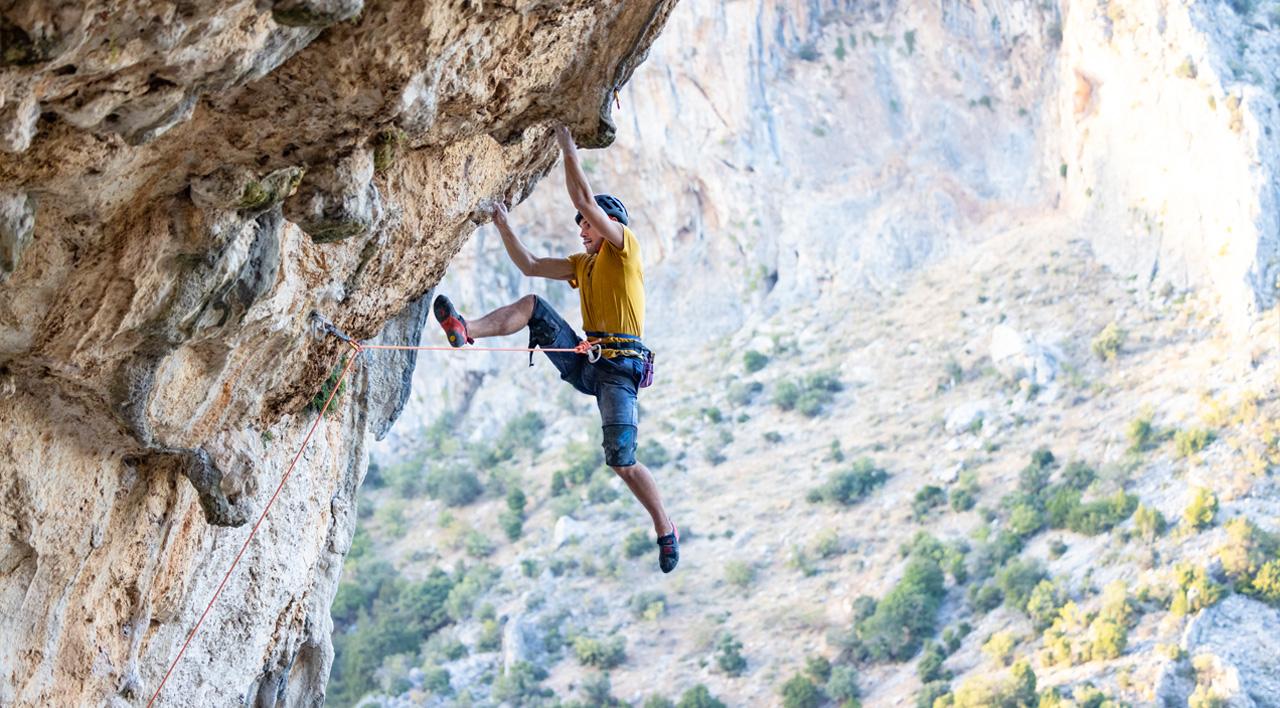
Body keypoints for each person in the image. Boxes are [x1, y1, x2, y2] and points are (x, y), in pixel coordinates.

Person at [432, 126, 679, 573]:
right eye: (581, 226)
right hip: (587, 362)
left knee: (621, 460)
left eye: (586, 225)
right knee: (534, 306)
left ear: (609, 225)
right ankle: (466, 330)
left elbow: (585, 201)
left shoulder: (625, 249)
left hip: (619, 371)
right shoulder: (580, 266)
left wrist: (567, 146)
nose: (581, 230)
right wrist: (503, 223)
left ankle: (665, 527)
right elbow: (528, 264)